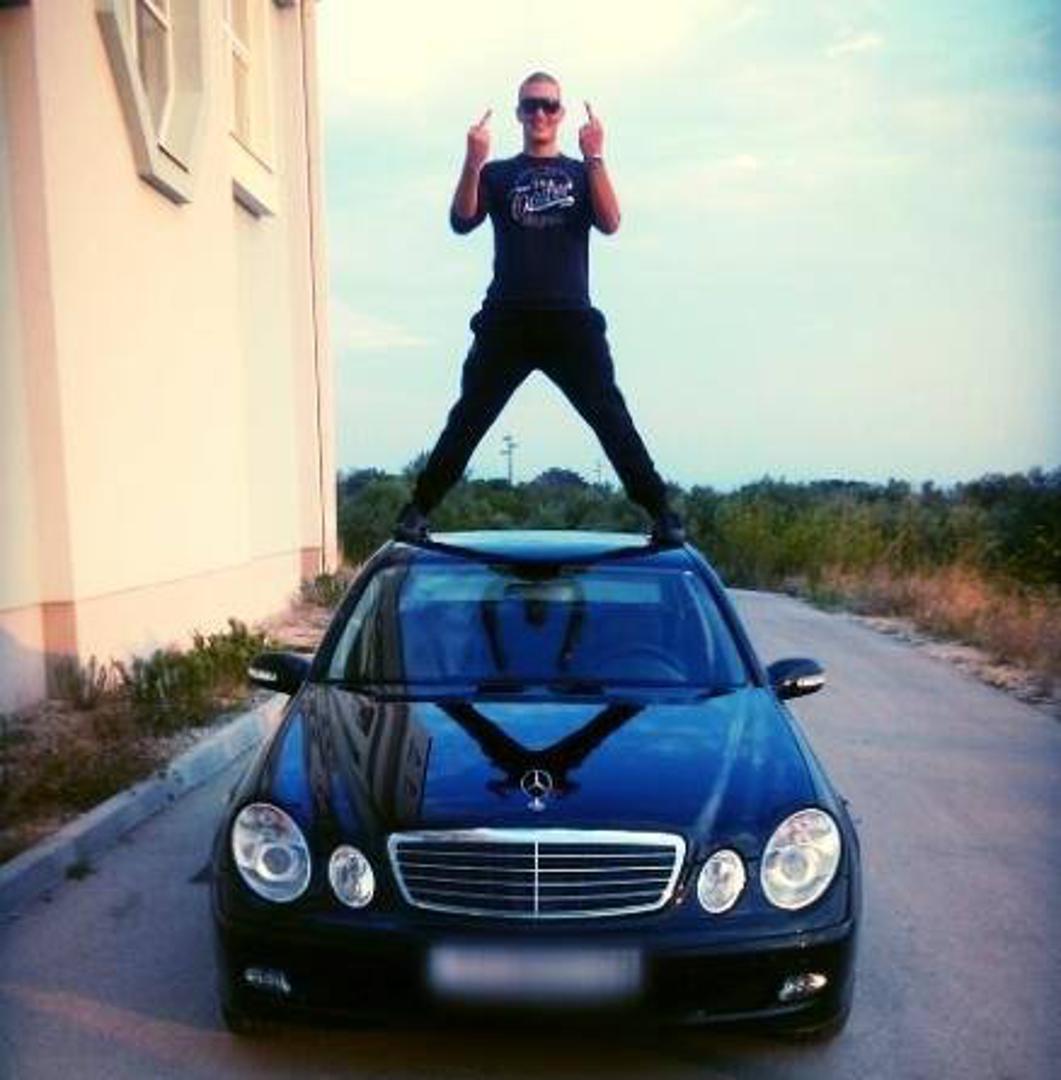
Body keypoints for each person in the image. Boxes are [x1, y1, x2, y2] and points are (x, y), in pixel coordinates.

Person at [395, 71, 685, 545]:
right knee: (469, 418)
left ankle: (661, 513)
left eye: (549, 105)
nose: (540, 114)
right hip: (506, 321)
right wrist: (473, 161)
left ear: (561, 113)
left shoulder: (581, 172)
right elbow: (461, 220)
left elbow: (611, 222)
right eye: (531, 105)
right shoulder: (497, 174)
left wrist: (595, 155)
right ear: (519, 113)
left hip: (571, 321)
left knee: (611, 418)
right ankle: (418, 509)